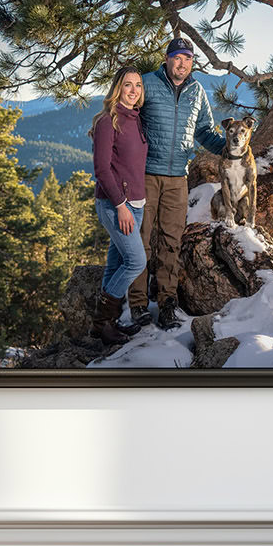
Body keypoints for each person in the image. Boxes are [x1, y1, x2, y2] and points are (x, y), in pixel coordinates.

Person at [129, 37, 227, 330]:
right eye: (177, 58)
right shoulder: (147, 83)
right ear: (167, 58)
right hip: (145, 175)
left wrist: (230, 149)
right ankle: (137, 305)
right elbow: (126, 116)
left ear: (191, 62)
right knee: (141, 241)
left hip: (177, 179)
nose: (182, 63)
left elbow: (205, 131)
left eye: (187, 59)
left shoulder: (197, 92)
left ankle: (168, 302)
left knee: (172, 242)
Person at [89, 66, 149, 345]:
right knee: (136, 261)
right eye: (128, 85)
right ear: (117, 88)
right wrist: (121, 204)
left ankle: (106, 325)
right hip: (116, 206)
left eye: (138, 85)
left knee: (116, 264)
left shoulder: (136, 118)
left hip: (135, 204)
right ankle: (102, 323)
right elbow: (101, 169)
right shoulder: (107, 120)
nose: (134, 90)